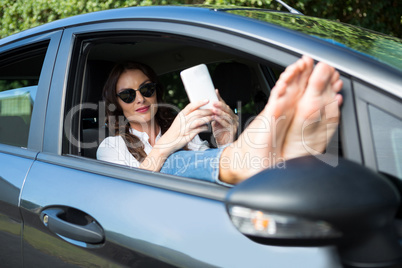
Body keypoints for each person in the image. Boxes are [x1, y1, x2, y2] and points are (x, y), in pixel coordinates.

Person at [97, 56, 343, 186]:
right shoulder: (110, 147)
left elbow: (214, 170)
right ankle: (267, 151)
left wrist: (226, 142)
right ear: (117, 102)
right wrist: (167, 145)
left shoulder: (185, 131)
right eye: (128, 95)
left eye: (146, 89)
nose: (140, 98)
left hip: (203, 207)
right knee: (174, 162)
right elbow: (130, 193)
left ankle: (277, 155)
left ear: (156, 92)